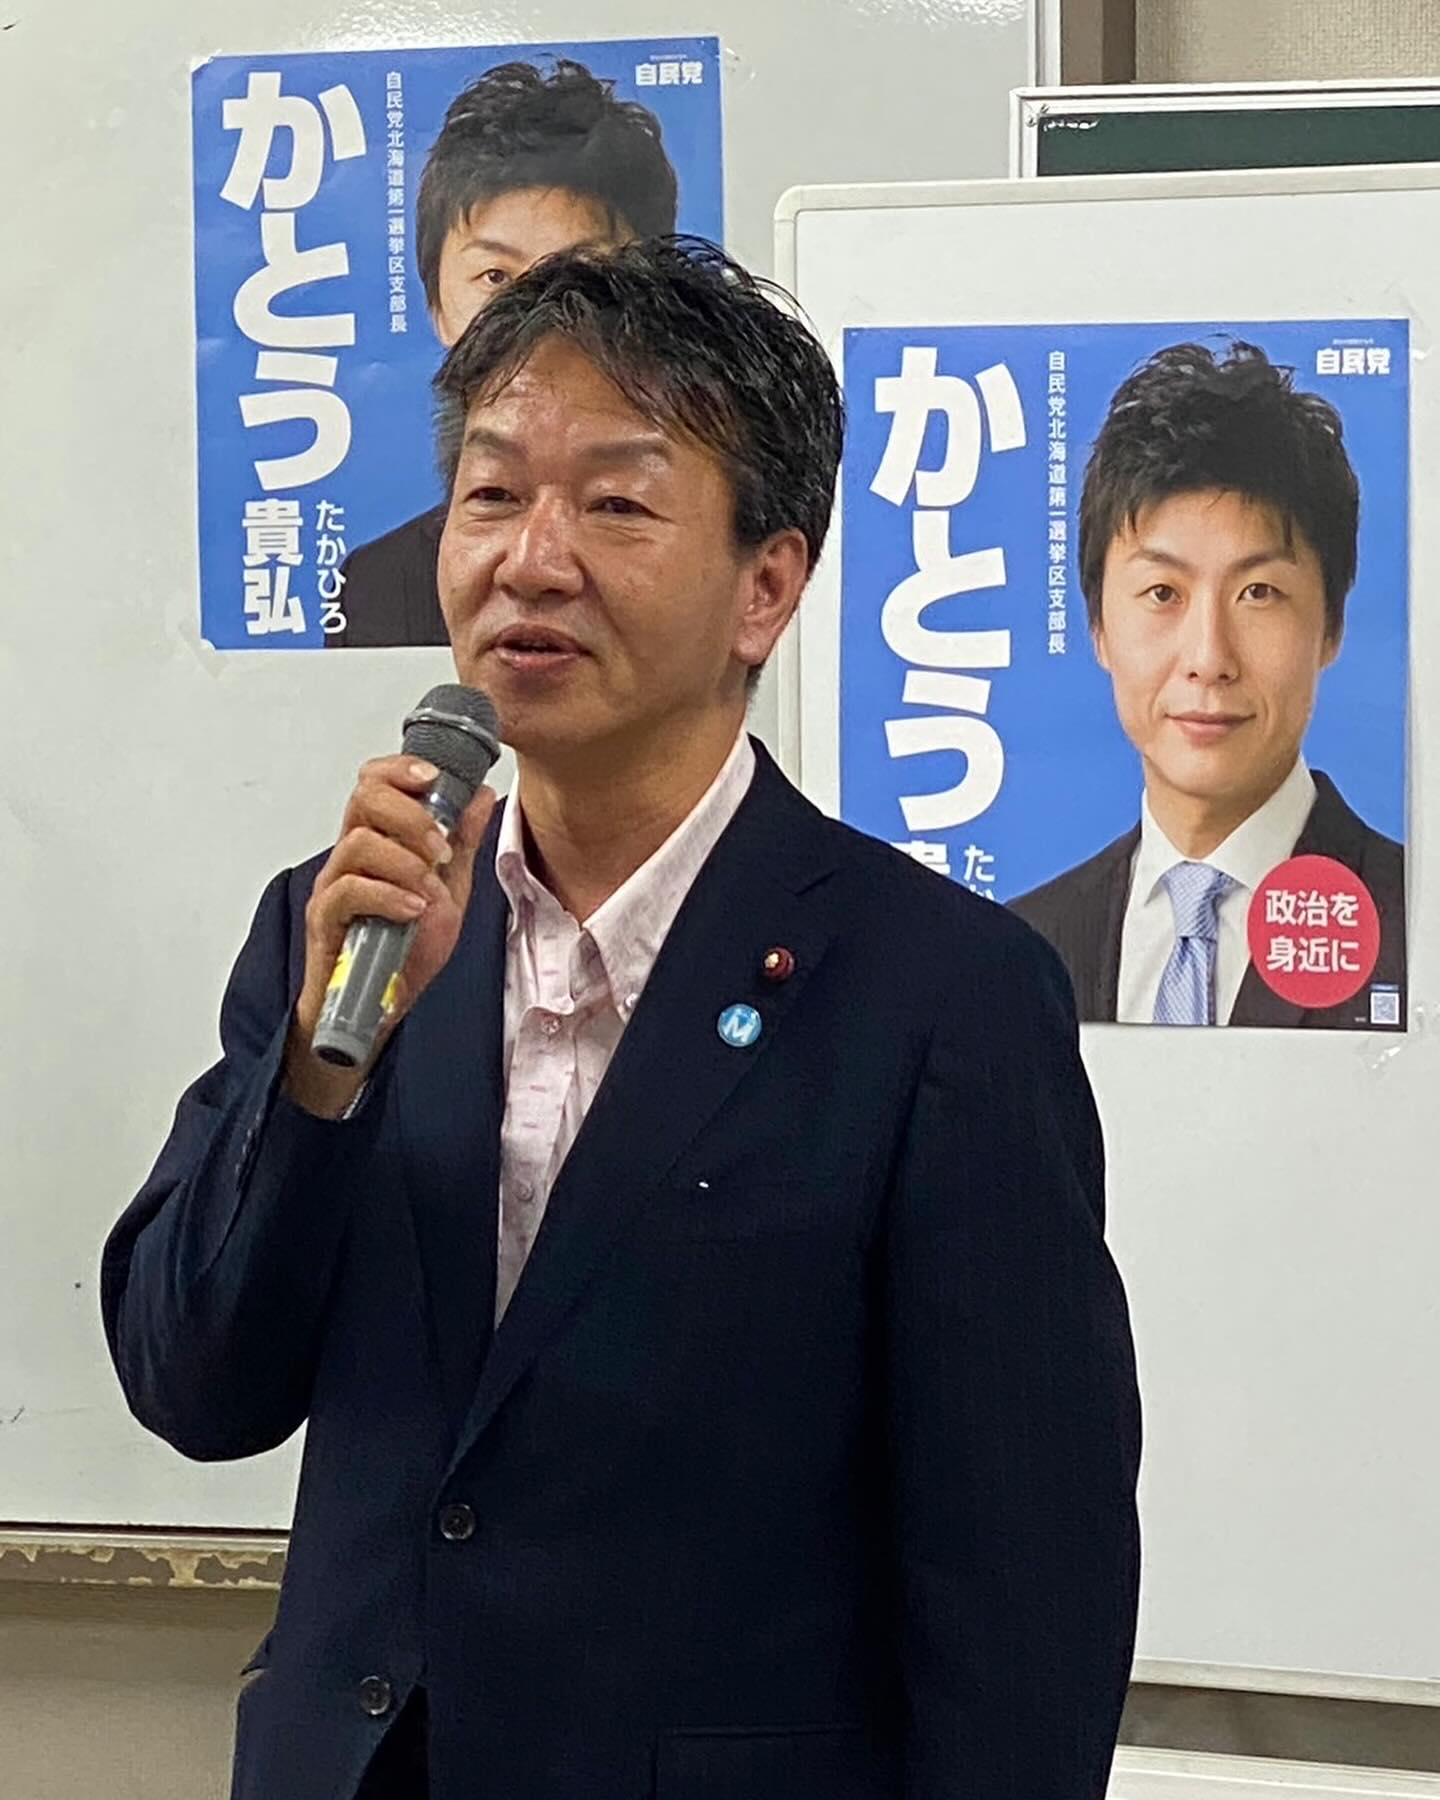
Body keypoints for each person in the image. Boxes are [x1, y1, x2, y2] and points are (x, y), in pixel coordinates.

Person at [103, 240, 1140, 1800]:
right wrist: (322, 1070)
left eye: (616, 504)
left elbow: (1027, 1595)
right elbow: (195, 1385)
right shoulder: (348, 927)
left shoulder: (940, 995)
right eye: (492, 494)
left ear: (766, 588)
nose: (532, 560)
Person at [1012, 341, 1406, 1029]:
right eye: (1163, 592)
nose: (1208, 657)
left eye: (1259, 592)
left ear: (1332, 627)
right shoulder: (1019, 949)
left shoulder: (1417, 921)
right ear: (1098, 627)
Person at [328, 58, 679, 649]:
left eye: (580, 272)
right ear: (437, 306)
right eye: (495, 276)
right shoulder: (375, 587)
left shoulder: (704, 547)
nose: (533, 313)